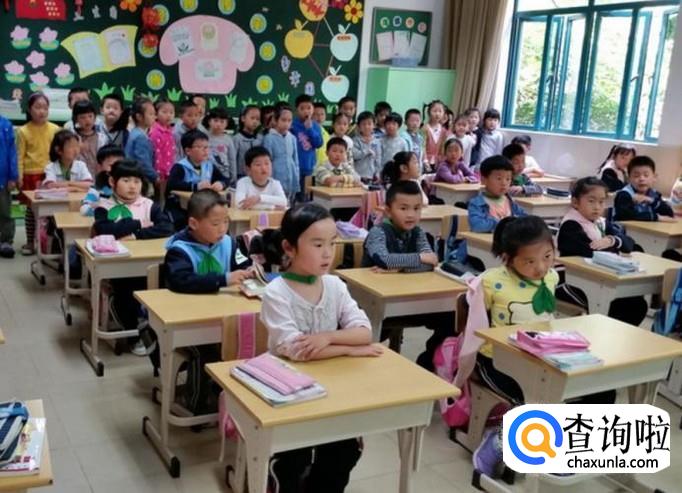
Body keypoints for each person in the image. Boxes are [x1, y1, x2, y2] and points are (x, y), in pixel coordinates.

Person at [260, 203, 381, 493]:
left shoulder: (335, 285)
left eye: (332, 243)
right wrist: (347, 349)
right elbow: (296, 350)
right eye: (317, 245)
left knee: (345, 449)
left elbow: (364, 332)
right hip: (288, 391)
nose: (328, 253)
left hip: (332, 385)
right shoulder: (276, 292)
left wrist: (327, 337)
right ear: (289, 247)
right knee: (293, 457)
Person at [361, 180, 451, 370]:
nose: (411, 214)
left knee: (451, 317)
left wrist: (399, 267)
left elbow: (432, 263)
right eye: (403, 208)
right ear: (388, 211)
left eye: (416, 208)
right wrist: (418, 258)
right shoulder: (378, 232)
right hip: (375, 304)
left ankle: (429, 361)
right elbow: (384, 259)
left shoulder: (418, 233)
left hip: (410, 302)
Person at [93, 159, 173, 355]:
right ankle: (133, 335)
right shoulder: (104, 206)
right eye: (126, 180)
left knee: (166, 283)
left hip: (149, 264)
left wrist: (136, 235)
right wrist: (137, 223)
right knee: (127, 291)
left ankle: (156, 329)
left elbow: (166, 228)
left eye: (137, 181)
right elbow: (105, 230)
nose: (132, 186)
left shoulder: (148, 205)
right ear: (112, 182)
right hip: (119, 267)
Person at [557, 177, 647, 326]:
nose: (597, 207)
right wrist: (615, 244)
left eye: (601, 202)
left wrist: (612, 240)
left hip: (599, 279)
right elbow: (592, 252)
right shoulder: (571, 225)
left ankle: (615, 336)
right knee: (620, 305)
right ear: (575, 202)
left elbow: (630, 244)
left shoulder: (601, 222)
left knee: (637, 303)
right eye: (591, 201)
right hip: (572, 282)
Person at [164, 189, 253, 293]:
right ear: (193, 224)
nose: (222, 229)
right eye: (215, 224)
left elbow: (242, 263)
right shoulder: (179, 251)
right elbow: (182, 282)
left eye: (226, 221)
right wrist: (224, 280)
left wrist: (249, 270)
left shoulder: (229, 244)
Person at [16, 91, 60, 255]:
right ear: (29, 109)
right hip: (30, 175)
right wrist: (19, 176)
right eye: (38, 107)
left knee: (50, 211)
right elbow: (19, 156)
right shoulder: (22, 131)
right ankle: (30, 243)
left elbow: (59, 154)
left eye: (45, 107)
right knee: (31, 211)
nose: (42, 111)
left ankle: (48, 243)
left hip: (50, 176)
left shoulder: (55, 129)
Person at [165, 130, 228, 229]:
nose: (205, 150)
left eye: (207, 147)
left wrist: (221, 184)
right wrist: (195, 186)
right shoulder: (180, 166)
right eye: (200, 147)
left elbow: (225, 179)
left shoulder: (209, 165)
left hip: (204, 206)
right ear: (188, 151)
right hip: (181, 208)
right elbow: (172, 184)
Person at [468, 156, 526, 233]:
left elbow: (525, 219)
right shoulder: (476, 203)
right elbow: (477, 226)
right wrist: (504, 223)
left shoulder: (510, 201)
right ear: (484, 180)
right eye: (499, 178)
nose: (504, 183)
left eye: (508, 179)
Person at [613, 155, 675, 223]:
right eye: (636, 176)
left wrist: (650, 200)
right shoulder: (624, 194)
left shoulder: (654, 194)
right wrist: (656, 217)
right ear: (629, 178)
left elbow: (669, 214)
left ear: (654, 177)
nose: (641, 179)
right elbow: (625, 215)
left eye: (646, 175)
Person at [263, 105, 299, 204]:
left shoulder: (292, 138)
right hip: (276, 174)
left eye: (289, 120)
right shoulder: (269, 138)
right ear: (275, 120)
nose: (286, 124)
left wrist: (296, 176)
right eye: (283, 120)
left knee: (290, 203)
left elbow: (295, 160)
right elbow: (267, 160)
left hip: (291, 174)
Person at [235, 146, 287, 210]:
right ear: (248, 169)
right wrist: (272, 207)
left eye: (267, 163)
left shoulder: (275, 183)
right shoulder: (243, 182)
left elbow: (284, 202)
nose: (263, 168)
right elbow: (240, 204)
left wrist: (259, 198)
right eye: (258, 165)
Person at [290, 95, 323, 194]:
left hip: (309, 167)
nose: (306, 111)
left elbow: (318, 144)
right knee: (294, 195)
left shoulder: (315, 126)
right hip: (295, 167)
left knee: (306, 195)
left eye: (309, 108)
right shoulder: (292, 125)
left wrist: (310, 129)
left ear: (313, 109)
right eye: (302, 108)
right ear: (297, 110)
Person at [80, 144, 123, 216]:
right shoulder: (96, 189)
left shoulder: (128, 187)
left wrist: (102, 205)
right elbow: (84, 210)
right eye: (111, 165)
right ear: (99, 167)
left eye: (120, 165)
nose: (116, 169)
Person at [124, 97, 158, 186]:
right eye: (151, 114)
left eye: (154, 114)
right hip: (139, 178)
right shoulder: (140, 137)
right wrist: (155, 177)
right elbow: (143, 162)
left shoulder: (135, 132)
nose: (154, 117)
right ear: (139, 117)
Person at [203, 107, 237, 187]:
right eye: (215, 121)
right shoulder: (203, 137)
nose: (218, 124)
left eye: (222, 122)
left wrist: (233, 175)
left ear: (226, 123)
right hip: (206, 175)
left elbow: (232, 159)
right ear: (209, 121)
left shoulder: (228, 139)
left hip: (224, 175)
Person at [72, 100, 107, 177]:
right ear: (76, 119)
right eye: (82, 117)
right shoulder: (73, 138)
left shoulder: (102, 138)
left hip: (97, 176)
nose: (87, 120)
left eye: (90, 116)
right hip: (78, 177)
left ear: (95, 117)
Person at [149, 99, 176, 197]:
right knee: (159, 197)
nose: (169, 115)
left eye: (171, 112)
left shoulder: (170, 130)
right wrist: (159, 173)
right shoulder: (155, 132)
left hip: (169, 170)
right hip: (159, 173)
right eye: (164, 112)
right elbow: (156, 154)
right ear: (156, 114)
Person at [0, 114, 18, 258]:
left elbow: (12, 152)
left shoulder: (6, 125)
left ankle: (6, 241)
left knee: (5, 210)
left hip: (3, 176)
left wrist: (13, 176)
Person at [233, 105, 262, 179]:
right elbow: (233, 160)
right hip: (241, 176)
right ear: (243, 118)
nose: (255, 121)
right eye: (252, 118)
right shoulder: (237, 139)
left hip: (257, 175)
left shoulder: (260, 138)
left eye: (258, 119)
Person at [422, 100, 451, 173]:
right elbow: (422, 146)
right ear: (429, 112)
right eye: (434, 111)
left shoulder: (443, 130)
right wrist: (425, 161)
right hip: (425, 162)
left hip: (437, 163)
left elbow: (443, 147)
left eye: (440, 111)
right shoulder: (425, 128)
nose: (437, 114)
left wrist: (441, 160)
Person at [352, 111, 381, 182]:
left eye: (369, 124)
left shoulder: (377, 141)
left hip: (371, 175)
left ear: (374, 125)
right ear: (359, 126)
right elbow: (354, 155)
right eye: (363, 124)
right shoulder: (355, 140)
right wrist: (366, 151)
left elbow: (378, 158)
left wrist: (377, 173)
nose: (366, 126)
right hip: (358, 175)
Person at [313, 102, 330, 167]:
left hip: (324, 168)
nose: (319, 117)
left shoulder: (326, 134)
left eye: (322, 114)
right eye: (316, 114)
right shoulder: (308, 132)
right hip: (312, 168)